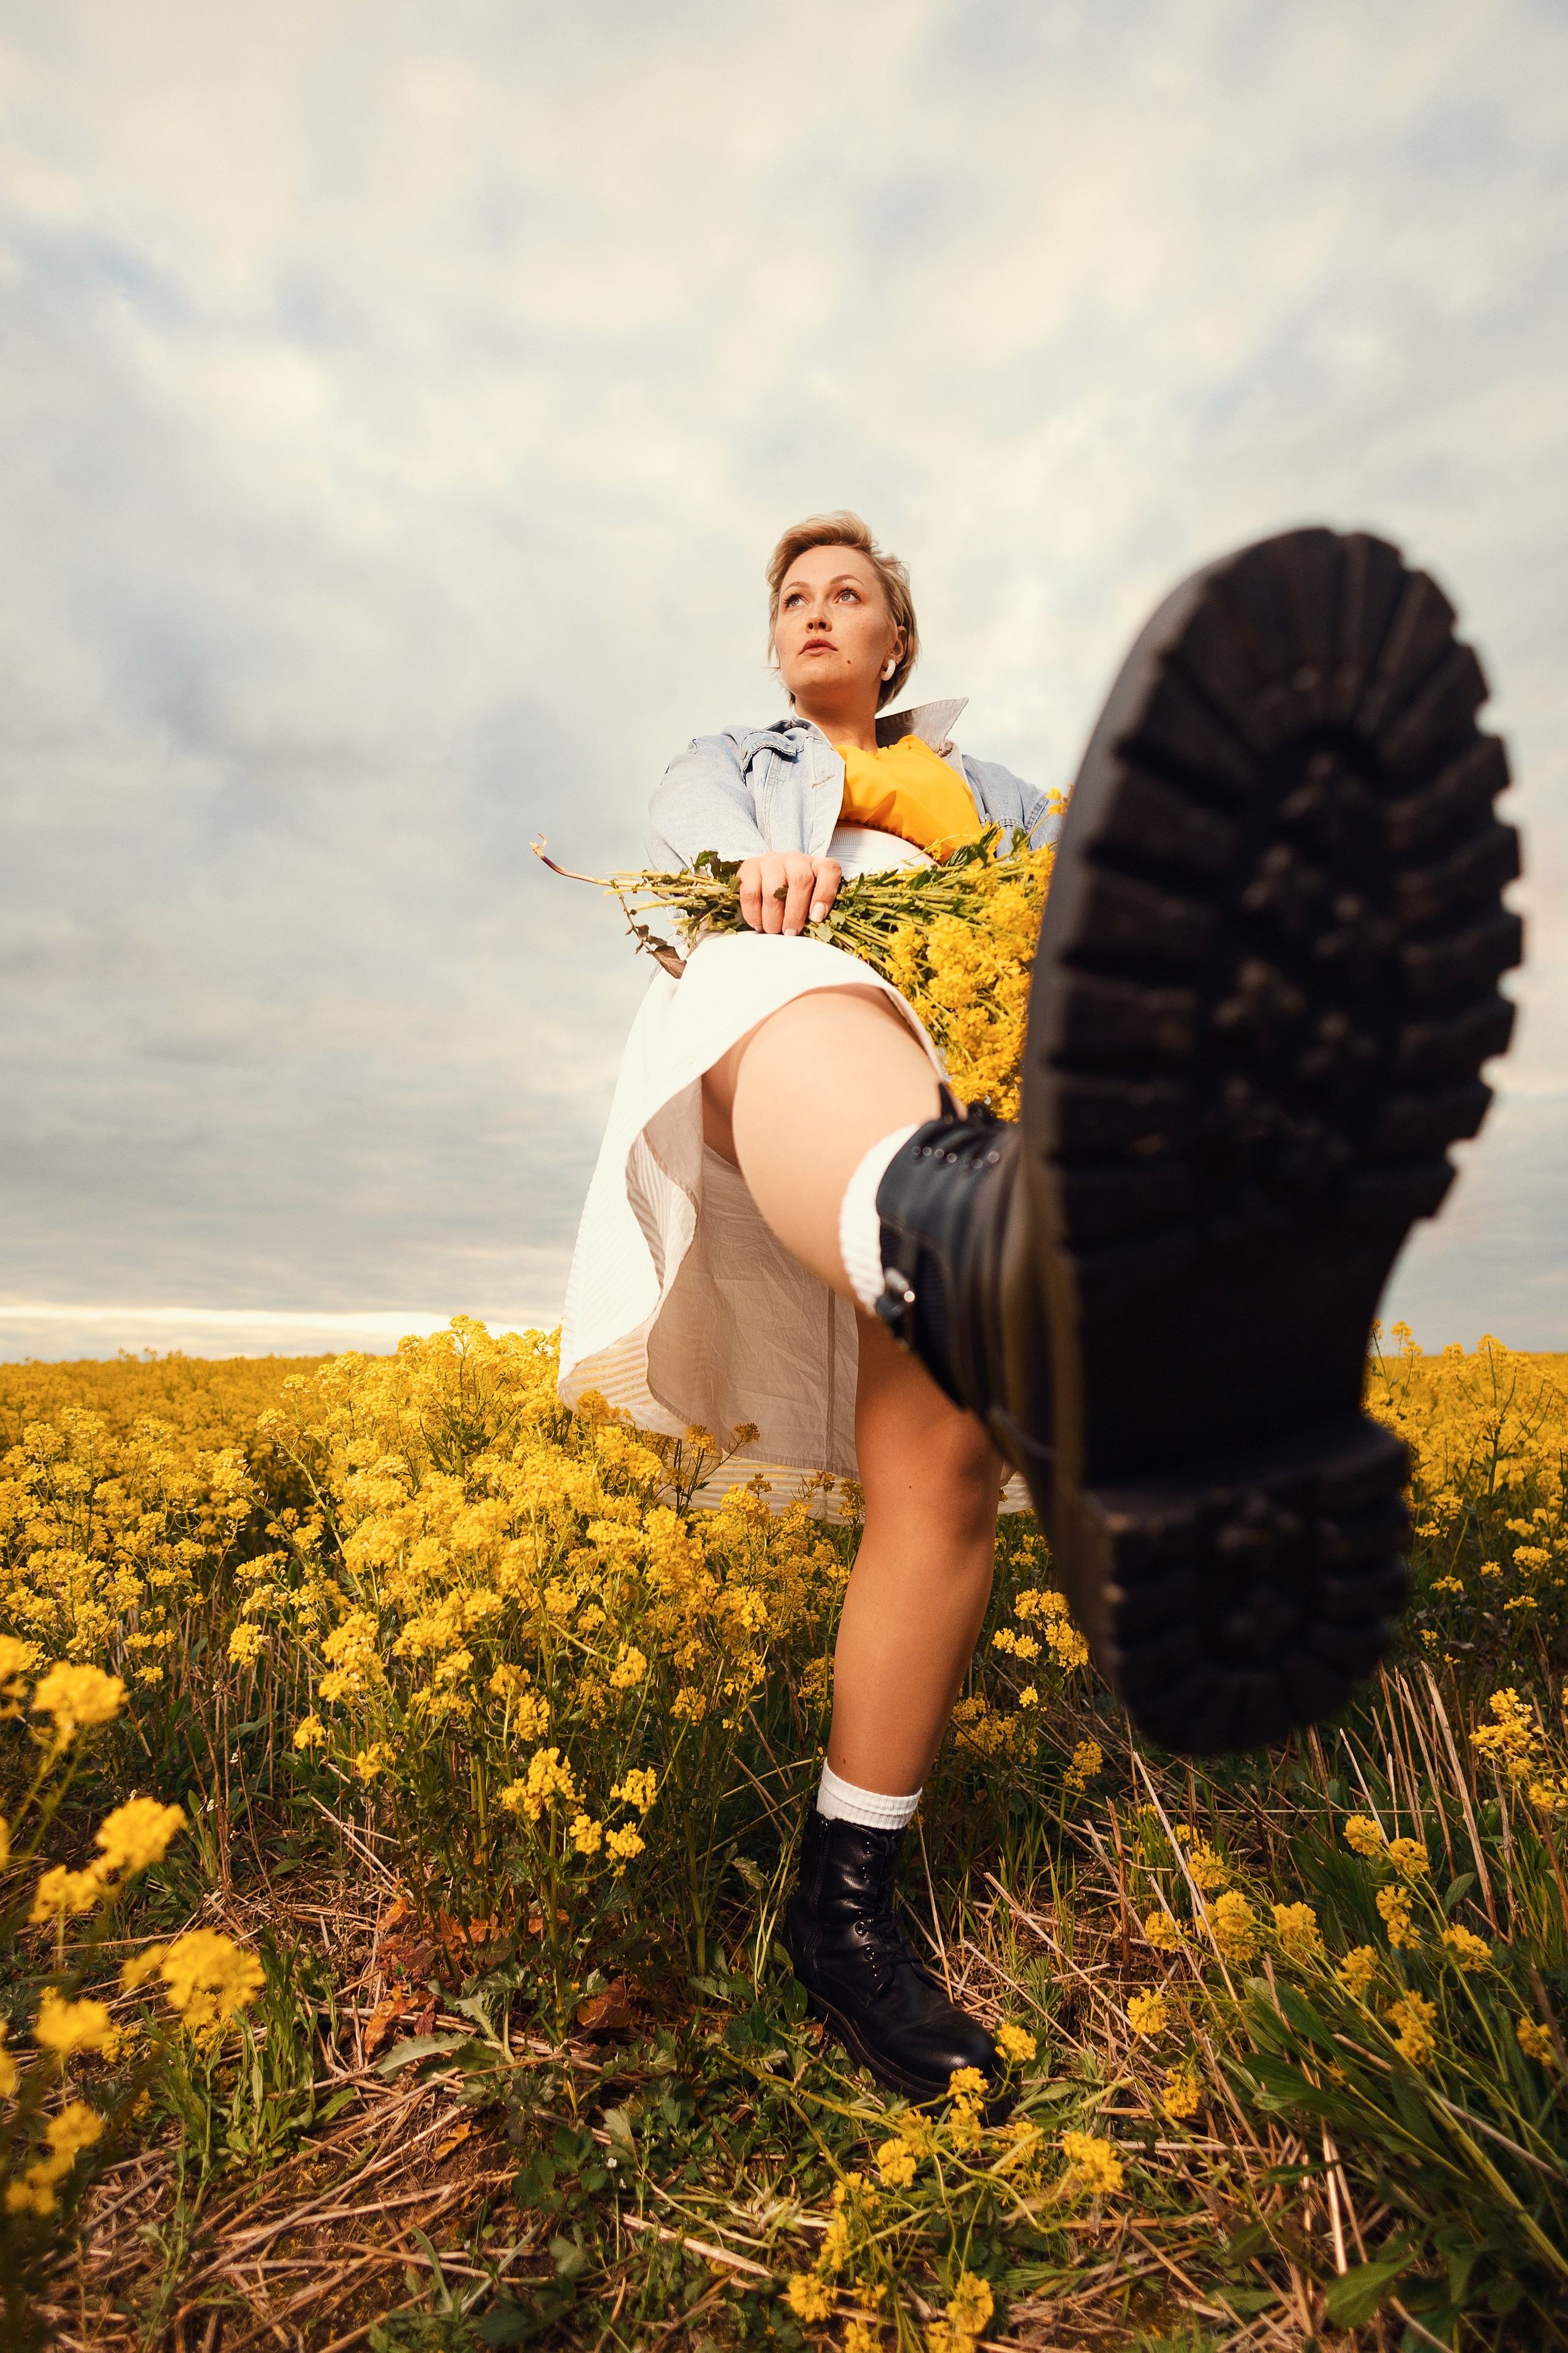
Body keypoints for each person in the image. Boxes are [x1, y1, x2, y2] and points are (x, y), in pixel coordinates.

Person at [560, 512, 1518, 2101]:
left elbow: (1078, 917)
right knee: (786, 980)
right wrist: (773, 859)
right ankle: (1063, 1281)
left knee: (939, 1471)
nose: (815, 612)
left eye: (848, 594)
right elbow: (702, 852)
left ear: (899, 641)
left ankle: (841, 1914)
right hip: (797, 1024)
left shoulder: (995, 793)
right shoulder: (736, 766)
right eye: (793, 598)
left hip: (977, 1077)